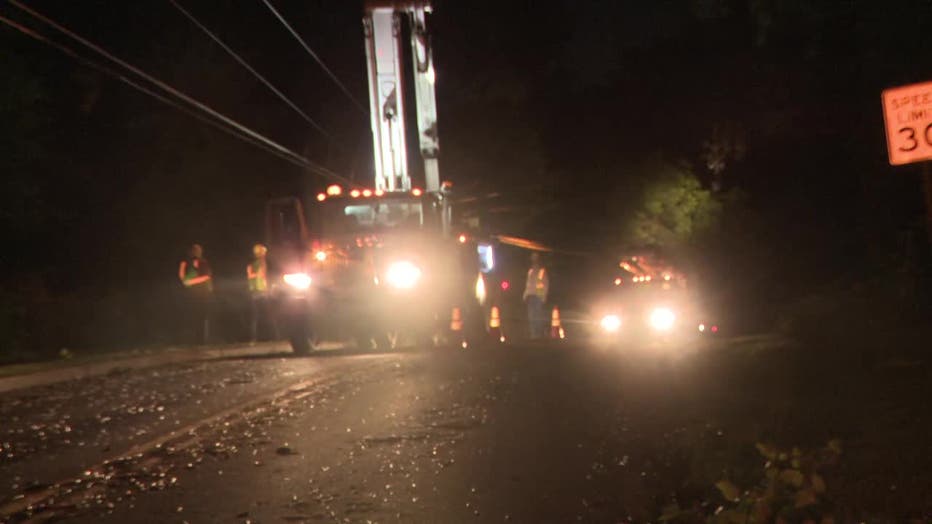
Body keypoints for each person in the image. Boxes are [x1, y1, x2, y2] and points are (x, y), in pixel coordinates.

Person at [178, 243, 213, 345]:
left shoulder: (203, 262)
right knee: (194, 316)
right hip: (192, 293)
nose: (195, 253)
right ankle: (194, 340)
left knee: (202, 316)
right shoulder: (186, 263)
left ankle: (202, 341)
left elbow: (207, 276)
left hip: (203, 292)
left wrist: (192, 282)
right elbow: (182, 277)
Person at [246, 243, 277, 344]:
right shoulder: (260, 262)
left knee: (255, 316)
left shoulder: (252, 264)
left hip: (255, 290)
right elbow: (261, 275)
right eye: (263, 252)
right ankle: (272, 336)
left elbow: (251, 274)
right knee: (266, 315)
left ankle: (255, 338)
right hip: (261, 291)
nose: (264, 254)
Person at [522, 252, 550, 339]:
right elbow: (528, 284)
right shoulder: (530, 271)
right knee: (531, 316)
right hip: (531, 296)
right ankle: (534, 335)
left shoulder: (542, 271)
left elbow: (545, 285)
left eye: (535, 258)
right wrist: (525, 295)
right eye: (533, 258)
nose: (534, 260)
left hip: (538, 297)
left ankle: (538, 335)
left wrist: (543, 297)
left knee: (537, 316)